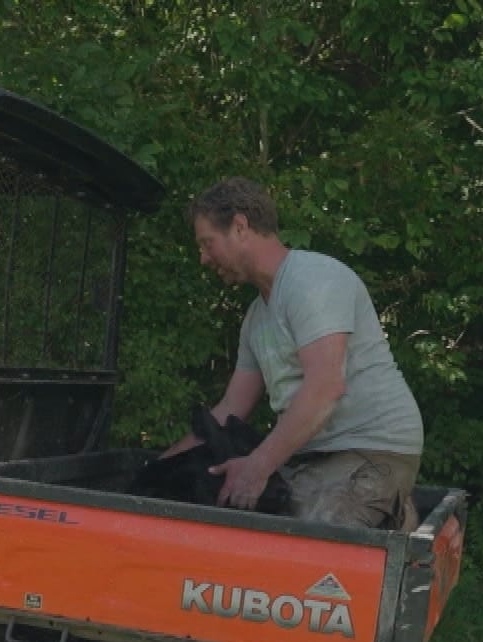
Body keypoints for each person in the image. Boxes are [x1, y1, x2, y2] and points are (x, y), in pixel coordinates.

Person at [177, 177, 424, 531]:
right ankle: (390, 514)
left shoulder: (313, 280)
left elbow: (325, 387)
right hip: (311, 457)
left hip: (367, 447)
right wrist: (156, 469)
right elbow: (232, 408)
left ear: (240, 226)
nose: (203, 258)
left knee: (304, 551)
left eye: (207, 243)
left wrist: (257, 468)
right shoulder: (256, 318)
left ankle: (385, 503)